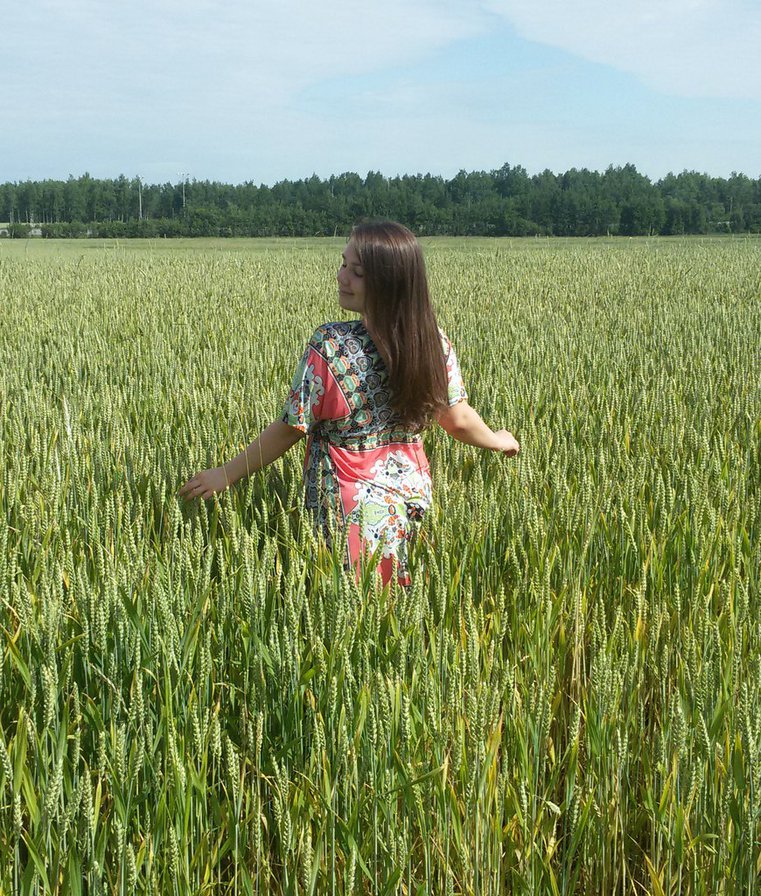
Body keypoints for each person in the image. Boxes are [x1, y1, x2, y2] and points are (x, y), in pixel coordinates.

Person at [180, 220, 520, 584]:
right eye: (343, 264)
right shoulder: (432, 343)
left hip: (346, 505)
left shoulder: (331, 346)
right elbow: (458, 419)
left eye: (357, 272)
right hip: (411, 494)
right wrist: (499, 440)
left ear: (388, 282)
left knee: (350, 600)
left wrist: (225, 474)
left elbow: (292, 427)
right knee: (401, 597)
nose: (342, 277)